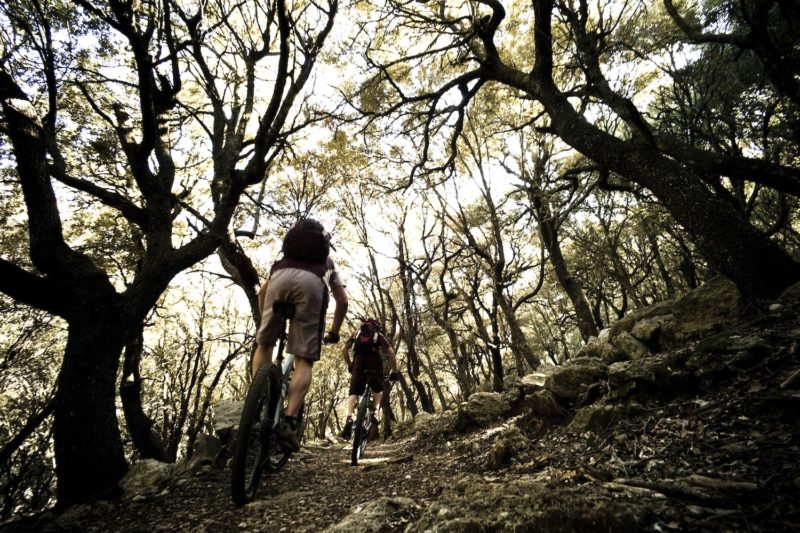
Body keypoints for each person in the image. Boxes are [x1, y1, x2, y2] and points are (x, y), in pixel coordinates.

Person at [253, 218, 348, 451]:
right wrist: (334, 332)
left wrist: (264, 321)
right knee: (303, 359)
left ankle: (257, 401)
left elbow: (261, 292)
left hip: (278, 283)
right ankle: (289, 422)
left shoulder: (281, 261)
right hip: (312, 286)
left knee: (263, 345)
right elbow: (342, 301)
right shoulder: (328, 264)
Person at [340, 318, 399, 441]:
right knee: (377, 389)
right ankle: (376, 412)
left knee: (354, 392)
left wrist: (350, 364)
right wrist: (394, 371)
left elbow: (344, 349)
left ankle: (349, 417)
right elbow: (391, 353)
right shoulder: (378, 335)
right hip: (374, 363)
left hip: (358, 363)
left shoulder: (356, 333)